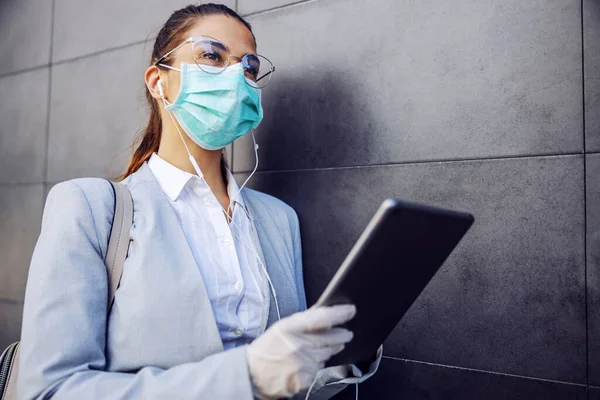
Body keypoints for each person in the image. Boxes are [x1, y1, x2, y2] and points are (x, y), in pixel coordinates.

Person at [16, 3, 381, 400]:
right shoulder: (88, 208)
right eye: (212, 55)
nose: (236, 77)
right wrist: (246, 376)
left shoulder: (279, 219)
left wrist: (341, 358)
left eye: (249, 67)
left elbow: (286, 378)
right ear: (158, 82)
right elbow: (51, 390)